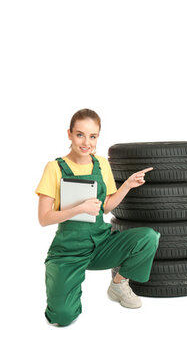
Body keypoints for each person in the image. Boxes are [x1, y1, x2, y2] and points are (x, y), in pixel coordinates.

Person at [36, 108, 158, 326]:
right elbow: (44, 218)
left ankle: (118, 285)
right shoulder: (54, 168)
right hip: (68, 251)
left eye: (92, 136)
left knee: (148, 237)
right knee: (62, 316)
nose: (86, 142)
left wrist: (127, 185)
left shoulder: (101, 164)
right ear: (69, 134)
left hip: (101, 243)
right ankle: (66, 290)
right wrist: (79, 209)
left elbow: (107, 207)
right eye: (80, 135)